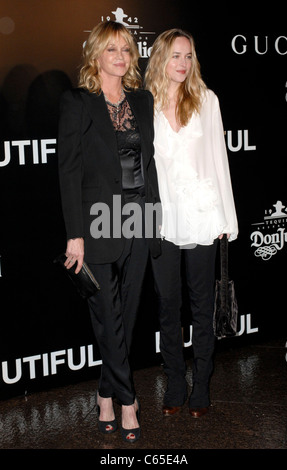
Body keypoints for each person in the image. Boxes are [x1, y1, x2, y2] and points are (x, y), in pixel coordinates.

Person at [57, 20, 160, 443]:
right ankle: (128, 400)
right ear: (96, 54)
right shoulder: (78, 101)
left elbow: (149, 163)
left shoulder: (142, 99)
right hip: (98, 217)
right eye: (111, 49)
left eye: (126, 50)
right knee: (106, 316)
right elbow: (68, 171)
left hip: (139, 215)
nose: (120, 57)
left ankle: (104, 393)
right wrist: (74, 234)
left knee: (128, 315)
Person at [145, 29, 238, 418]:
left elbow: (220, 158)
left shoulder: (207, 100)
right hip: (162, 219)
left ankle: (201, 385)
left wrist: (227, 219)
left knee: (202, 307)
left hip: (202, 216)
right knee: (168, 307)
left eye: (188, 56)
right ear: (161, 58)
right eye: (175, 56)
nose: (182, 64)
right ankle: (175, 382)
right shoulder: (143, 102)